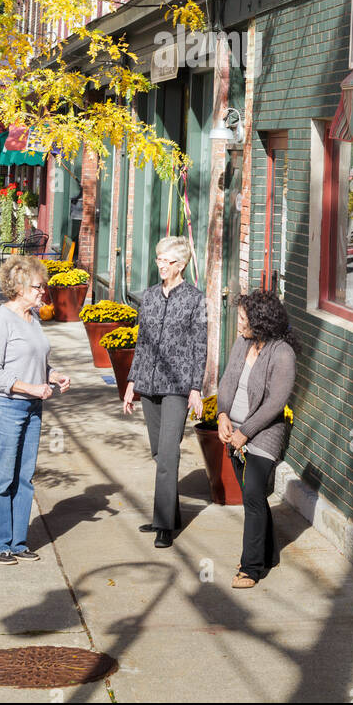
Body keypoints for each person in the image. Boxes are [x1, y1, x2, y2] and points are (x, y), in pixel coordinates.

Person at [0, 254, 70, 563]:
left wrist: (52, 375)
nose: (43, 292)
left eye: (43, 286)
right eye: (38, 287)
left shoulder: (33, 319)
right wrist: (30, 387)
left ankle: (18, 542)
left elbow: (36, 361)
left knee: (24, 477)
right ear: (18, 287)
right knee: (2, 476)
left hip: (32, 406)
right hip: (4, 406)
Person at [123, 236, 207, 548]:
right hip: (149, 384)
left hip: (178, 386)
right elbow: (142, 342)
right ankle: (170, 514)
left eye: (168, 261)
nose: (161, 265)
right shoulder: (149, 297)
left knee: (169, 453)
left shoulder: (196, 300)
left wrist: (195, 387)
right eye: (159, 258)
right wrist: (132, 383)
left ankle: (163, 525)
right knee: (159, 452)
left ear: (181, 265)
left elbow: (201, 348)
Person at [216, 290, 297, 589]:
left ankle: (251, 567)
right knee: (255, 497)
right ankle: (268, 552)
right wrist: (222, 415)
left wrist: (245, 432)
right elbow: (227, 380)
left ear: (260, 321)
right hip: (233, 428)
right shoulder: (243, 342)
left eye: (242, 319)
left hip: (264, 433)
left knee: (251, 493)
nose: (238, 324)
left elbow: (276, 402)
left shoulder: (282, 354)